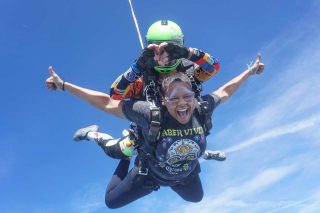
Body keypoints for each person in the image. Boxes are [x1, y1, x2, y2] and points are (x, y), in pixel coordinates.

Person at [45, 53, 264, 208]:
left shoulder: (202, 107)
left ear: (194, 98)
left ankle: (202, 154)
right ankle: (101, 140)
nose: (182, 103)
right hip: (149, 175)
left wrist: (250, 71)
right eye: (174, 98)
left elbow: (225, 91)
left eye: (187, 96)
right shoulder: (150, 114)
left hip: (183, 176)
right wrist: (64, 85)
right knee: (112, 198)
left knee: (196, 198)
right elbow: (107, 102)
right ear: (163, 101)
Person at [72, 20, 224, 161]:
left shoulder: (189, 71)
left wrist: (188, 53)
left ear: (180, 46)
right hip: (150, 131)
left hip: (183, 127)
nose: (164, 56)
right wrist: (136, 68)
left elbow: (214, 66)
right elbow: (116, 95)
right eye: (158, 49)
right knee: (120, 151)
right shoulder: (143, 78)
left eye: (170, 48)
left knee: (187, 141)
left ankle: (203, 153)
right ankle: (92, 134)